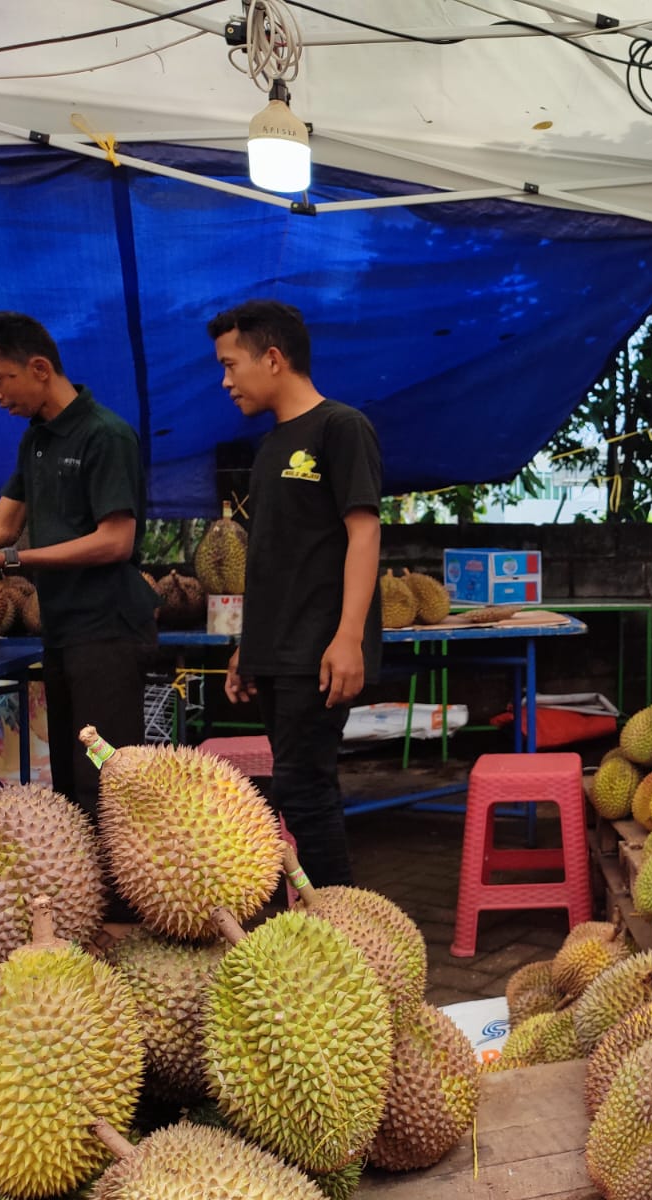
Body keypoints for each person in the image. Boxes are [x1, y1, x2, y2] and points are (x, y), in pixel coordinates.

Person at [210, 299, 381, 887]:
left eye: (230, 364)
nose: (225, 381)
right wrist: (248, 648)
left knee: (306, 791)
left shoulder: (341, 427)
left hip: (320, 648)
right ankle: (320, 920)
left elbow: (364, 534)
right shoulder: (270, 447)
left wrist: (349, 637)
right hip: (277, 650)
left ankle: (340, 925)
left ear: (273, 358)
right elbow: (272, 560)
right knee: (293, 788)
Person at [0, 311, 156, 823]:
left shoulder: (106, 435)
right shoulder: (35, 438)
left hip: (107, 634)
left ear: (39, 368)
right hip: (61, 632)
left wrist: (11, 560)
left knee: (109, 786)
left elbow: (115, 541)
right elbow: (1, 525)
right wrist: (0, 549)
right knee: (71, 787)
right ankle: (89, 878)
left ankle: (121, 879)